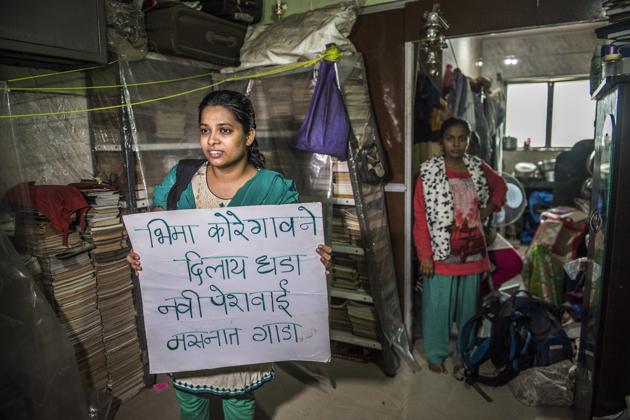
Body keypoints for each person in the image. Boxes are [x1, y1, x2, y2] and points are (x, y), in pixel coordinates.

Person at [127, 90, 332, 420]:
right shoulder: (182, 179)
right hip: (190, 327)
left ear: (248, 135)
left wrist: (314, 261)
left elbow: (293, 261)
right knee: (191, 407)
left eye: (225, 130)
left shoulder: (274, 190)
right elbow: (156, 238)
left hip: (242, 333)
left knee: (239, 406)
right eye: (205, 130)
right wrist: (142, 256)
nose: (212, 141)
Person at [413, 117, 507, 374]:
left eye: (461, 138)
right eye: (450, 138)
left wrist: (485, 212)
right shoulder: (429, 172)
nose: (456, 144)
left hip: (473, 253)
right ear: (441, 142)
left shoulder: (477, 167)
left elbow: (501, 186)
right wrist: (425, 256)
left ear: (467, 140)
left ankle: (465, 351)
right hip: (442, 255)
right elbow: (420, 218)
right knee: (437, 308)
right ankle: (436, 353)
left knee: (468, 310)